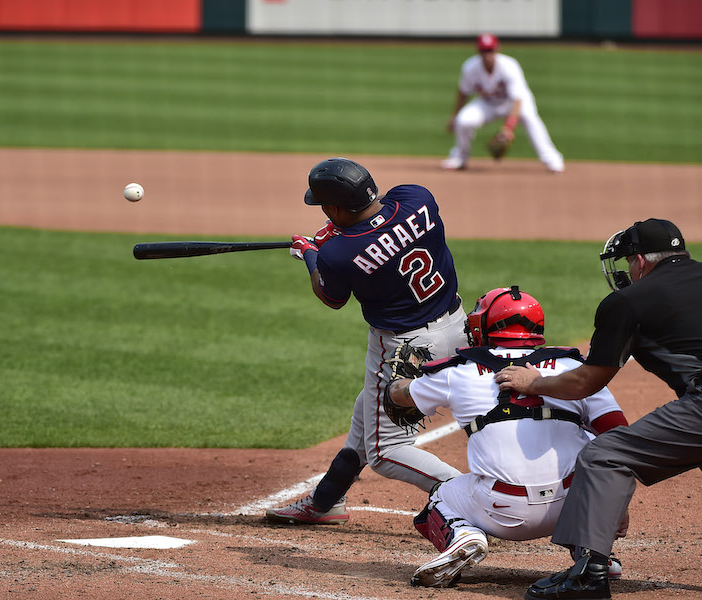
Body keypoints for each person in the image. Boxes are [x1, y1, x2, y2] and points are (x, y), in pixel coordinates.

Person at [496, 219, 702, 599]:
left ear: (640, 260)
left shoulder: (628, 301)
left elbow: (585, 383)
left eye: (628, 263)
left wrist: (534, 383)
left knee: (605, 455)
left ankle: (588, 574)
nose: (627, 270)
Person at [265, 157, 468, 524]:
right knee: (367, 408)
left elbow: (331, 297)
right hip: (457, 328)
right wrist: (335, 236)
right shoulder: (418, 197)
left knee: (386, 451)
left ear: (335, 207)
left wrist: (311, 255)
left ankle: (469, 494)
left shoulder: (339, 255)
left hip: (406, 350)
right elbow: (381, 222)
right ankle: (325, 500)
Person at [386, 286, 629, 588]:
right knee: (592, 446)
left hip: (500, 513)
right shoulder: (575, 368)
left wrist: (397, 382)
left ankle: (464, 536)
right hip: (572, 506)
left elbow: (399, 397)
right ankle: (592, 552)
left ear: (486, 326)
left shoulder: (457, 372)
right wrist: (616, 504)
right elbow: (621, 439)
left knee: (442, 496)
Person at [441, 33, 565, 174]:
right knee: (463, 121)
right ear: (478, 51)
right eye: (484, 50)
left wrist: (508, 127)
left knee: (530, 118)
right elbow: (463, 92)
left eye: (490, 50)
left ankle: (552, 159)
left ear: (497, 49)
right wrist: (454, 115)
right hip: (487, 104)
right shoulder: (470, 67)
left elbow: (518, 99)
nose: (487, 54)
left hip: (514, 103)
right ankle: (459, 158)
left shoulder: (509, 66)